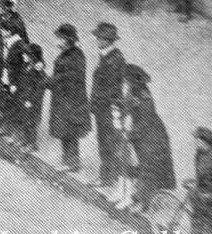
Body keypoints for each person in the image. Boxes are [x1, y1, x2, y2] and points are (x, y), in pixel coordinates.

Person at [120, 65, 174, 210]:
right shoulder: (132, 92)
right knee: (140, 167)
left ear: (133, 81)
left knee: (147, 169)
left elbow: (145, 122)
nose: (125, 82)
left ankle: (145, 204)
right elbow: (127, 108)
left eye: (127, 79)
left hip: (152, 138)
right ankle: (140, 197)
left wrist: (130, 134)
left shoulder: (144, 98)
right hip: (142, 135)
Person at [90, 20, 127, 190]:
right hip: (103, 107)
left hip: (108, 109)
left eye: (100, 37)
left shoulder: (114, 60)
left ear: (108, 40)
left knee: (107, 143)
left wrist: (97, 102)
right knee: (105, 142)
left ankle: (108, 177)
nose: (97, 40)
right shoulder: (106, 54)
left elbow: (111, 89)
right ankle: (109, 176)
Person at [48, 23, 90, 173]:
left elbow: (69, 78)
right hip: (63, 99)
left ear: (67, 40)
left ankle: (73, 163)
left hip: (71, 102)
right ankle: (67, 161)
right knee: (64, 131)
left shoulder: (76, 56)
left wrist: (51, 81)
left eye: (59, 39)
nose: (57, 42)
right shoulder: (67, 53)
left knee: (70, 132)